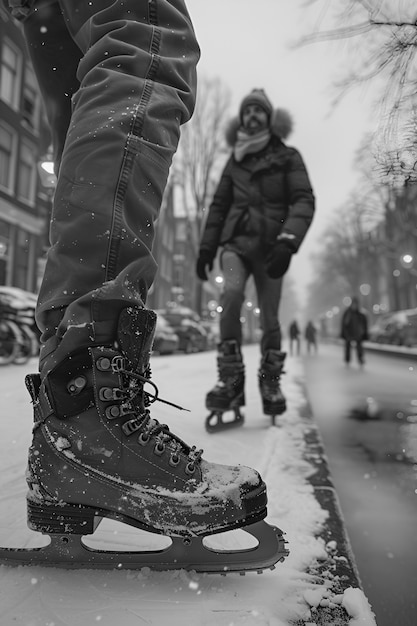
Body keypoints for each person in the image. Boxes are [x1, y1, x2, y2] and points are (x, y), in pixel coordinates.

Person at [3, 1, 273, 562]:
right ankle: (91, 417)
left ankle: (73, 435)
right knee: (147, 41)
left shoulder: (283, 159)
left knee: (84, 94)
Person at [196, 89, 315, 422]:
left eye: (258, 111)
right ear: (241, 119)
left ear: (269, 118)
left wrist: (288, 240)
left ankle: (270, 383)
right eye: (247, 111)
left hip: (272, 248)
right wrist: (207, 247)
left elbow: (304, 199)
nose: (251, 116)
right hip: (236, 246)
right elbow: (219, 207)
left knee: (270, 319)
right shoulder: (234, 162)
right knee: (231, 295)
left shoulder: (288, 157)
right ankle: (231, 381)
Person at [340, 296, 369, 366]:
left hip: (358, 333)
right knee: (347, 346)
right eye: (354, 304)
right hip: (349, 333)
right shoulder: (347, 313)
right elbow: (344, 324)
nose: (355, 306)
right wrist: (344, 333)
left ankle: (360, 359)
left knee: (359, 347)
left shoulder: (360, 313)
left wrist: (364, 332)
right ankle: (347, 359)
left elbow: (364, 324)